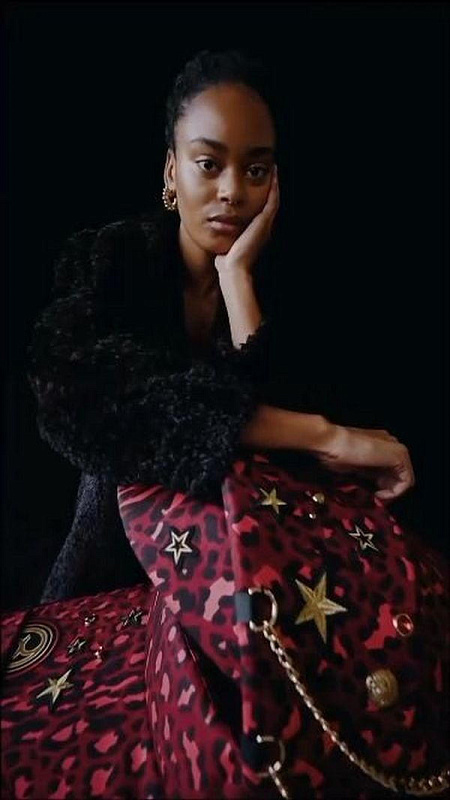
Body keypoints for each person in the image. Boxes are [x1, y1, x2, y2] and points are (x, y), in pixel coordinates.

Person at [2, 49, 448, 799]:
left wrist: (236, 278)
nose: (233, 191)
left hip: (246, 569)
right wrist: (327, 434)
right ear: (171, 171)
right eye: (209, 165)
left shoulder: (278, 274)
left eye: (256, 169)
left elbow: (266, 436)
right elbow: (86, 402)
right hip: (123, 562)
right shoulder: (113, 262)